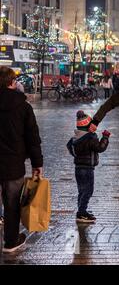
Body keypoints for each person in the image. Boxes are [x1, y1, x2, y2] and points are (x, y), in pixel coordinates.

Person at [0, 66, 43, 253]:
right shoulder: (23, 106)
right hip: (13, 164)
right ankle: (11, 242)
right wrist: (37, 164)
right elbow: (32, 138)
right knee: (12, 203)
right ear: (12, 82)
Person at [67, 111, 110, 223]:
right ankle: (81, 213)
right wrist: (105, 137)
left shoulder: (74, 138)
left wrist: (78, 156)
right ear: (88, 127)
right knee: (88, 191)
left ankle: (82, 211)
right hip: (87, 169)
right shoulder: (90, 138)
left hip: (78, 168)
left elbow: (70, 148)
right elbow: (100, 148)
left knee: (81, 190)